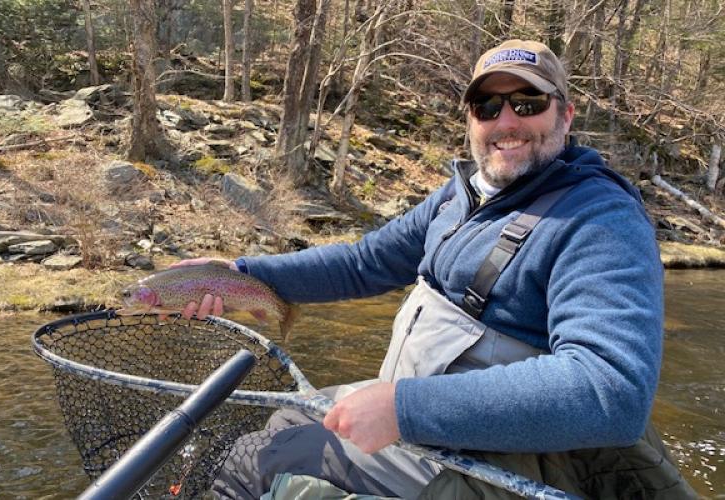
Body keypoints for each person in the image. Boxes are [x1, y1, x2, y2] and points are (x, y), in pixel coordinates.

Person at [175, 40, 695, 499]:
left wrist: (405, 408)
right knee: (285, 419)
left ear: (566, 114)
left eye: (527, 103)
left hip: (495, 461)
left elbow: (611, 391)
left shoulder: (601, 220)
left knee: (249, 466)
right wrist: (238, 271)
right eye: (487, 105)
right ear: (470, 118)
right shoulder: (462, 197)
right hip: (425, 423)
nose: (506, 121)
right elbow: (365, 262)